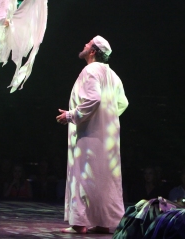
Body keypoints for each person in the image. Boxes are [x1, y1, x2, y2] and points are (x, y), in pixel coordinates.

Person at [56, 36, 129, 234]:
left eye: (88, 43)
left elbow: (94, 98)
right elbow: (123, 103)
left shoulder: (90, 70)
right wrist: (107, 118)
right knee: (104, 180)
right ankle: (104, 222)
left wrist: (71, 115)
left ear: (93, 51)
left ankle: (80, 223)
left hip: (89, 135)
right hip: (108, 139)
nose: (84, 44)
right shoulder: (112, 75)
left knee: (83, 175)